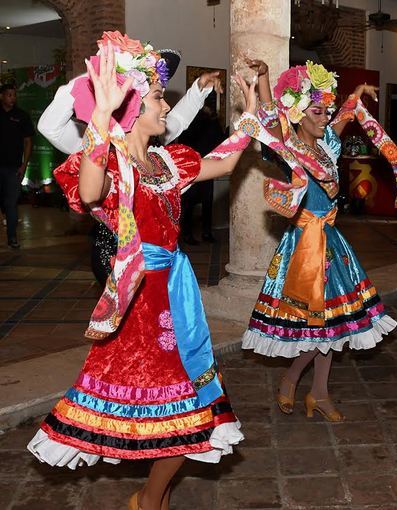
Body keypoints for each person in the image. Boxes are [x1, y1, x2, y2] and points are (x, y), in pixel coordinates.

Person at [27, 32, 257, 510]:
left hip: (177, 289)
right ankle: (149, 499)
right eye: (157, 98)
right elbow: (89, 194)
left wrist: (254, 110)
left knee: (191, 401)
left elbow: (229, 160)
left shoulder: (169, 160)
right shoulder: (110, 164)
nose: (167, 107)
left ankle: (151, 496)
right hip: (138, 296)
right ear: (133, 107)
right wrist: (101, 114)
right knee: (178, 407)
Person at [239, 59, 397, 421]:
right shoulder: (288, 148)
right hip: (303, 247)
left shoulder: (328, 145)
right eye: (317, 111)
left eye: (326, 110)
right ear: (297, 114)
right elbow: (269, 116)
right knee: (316, 324)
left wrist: (355, 96)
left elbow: (345, 116)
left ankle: (318, 393)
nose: (325, 117)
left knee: (334, 324)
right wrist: (263, 79)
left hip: (332, 243)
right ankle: (295, 380)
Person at [38, 49, 223, 284]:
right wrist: (92, 80)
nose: (163, 104)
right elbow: (49, 127)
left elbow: (176, 122)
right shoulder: (99, 138)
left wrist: (199, 89)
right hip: (115, 255)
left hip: (156, 256)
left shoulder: (150, 141)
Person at [178, 103, 226, 244]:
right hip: (192, 165)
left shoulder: (212, 121)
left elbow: (218, 140)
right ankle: (188, 234)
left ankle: (205, 232)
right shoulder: (193, 120)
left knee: (206, 201)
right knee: (189, 202)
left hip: (207, 164)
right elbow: (186, 139)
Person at [0, 82, 34, 249]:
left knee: (11, 203)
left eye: (14, 95)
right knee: (4, 202)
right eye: (9, 95)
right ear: (2, 96)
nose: (12, 98)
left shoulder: (22, 116)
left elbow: (28, 142)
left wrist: (24, 165)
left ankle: (12, 237)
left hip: (14, 168)